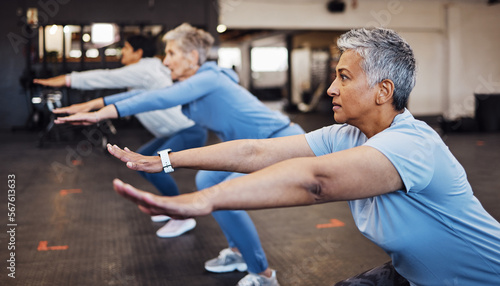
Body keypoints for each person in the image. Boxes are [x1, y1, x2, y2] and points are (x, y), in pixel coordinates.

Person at [107, 27, 500, 285]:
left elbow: (317, 182)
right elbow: (255, 150)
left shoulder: (413, 144)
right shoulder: (345, 135)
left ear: (383, 91)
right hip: (412, 275)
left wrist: (201, 200)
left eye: (344, 78)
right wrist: (167, 160)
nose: (330, 89)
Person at [54, 23, 306, 286]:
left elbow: (161, 99)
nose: (166, 61)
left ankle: (263, 275)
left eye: (172, 54)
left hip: (280, 141)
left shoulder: (211, 77)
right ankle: (238, 252)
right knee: (207, 181)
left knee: (224, 193)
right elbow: (148, 94)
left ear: (193, 57)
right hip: (248, 149)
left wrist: (99, 114)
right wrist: (93, 105)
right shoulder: (193, 84)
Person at [34, 35, 208, 238]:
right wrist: (91, 106)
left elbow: (105, 77)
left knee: (156, 166)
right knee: (142, 159)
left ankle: (181, 215)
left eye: (126, 48)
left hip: (188, 131)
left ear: (138, 53)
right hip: (176, 131)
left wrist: (67, 80)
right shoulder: (147, 71)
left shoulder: (143, 70)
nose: (122, 52)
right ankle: (171, 207)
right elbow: (125, 98)